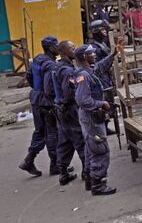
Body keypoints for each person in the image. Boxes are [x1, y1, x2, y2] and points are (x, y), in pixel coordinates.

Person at [74, 44, 118, 196]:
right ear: (84, 57)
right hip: (91, 118)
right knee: (100, 149)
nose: (94, 55)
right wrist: (102, 103)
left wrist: (113, 55)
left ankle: (89, 180)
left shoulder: (88, 71)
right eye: (90, 54)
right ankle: (98, 185)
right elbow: (82, 100)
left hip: (91, 118)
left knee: (90, 149)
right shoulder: (84, 76)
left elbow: (99, 67)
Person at [19, 36, 60, 176]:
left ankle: (28, 160)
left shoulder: (37, 59)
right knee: (52, 132)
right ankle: (55, 165)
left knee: (40, 131)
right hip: (46, 102)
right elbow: (50, 88)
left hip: (36, 99)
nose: (58, 47)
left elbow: (29, 76)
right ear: (51, 48)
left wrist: (37, 90)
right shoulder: (50, 65)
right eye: (56, 45)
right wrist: (54, 99)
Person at [53, 41, 85, 186]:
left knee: (65, 141)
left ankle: (63, 173)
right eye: (72, 48)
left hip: (61, 109)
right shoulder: (66, 70)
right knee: (80, 139)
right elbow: (69, 92)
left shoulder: (59, 67)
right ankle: (88, 171)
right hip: (69, 109)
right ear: (64, 52)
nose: (75, 50)